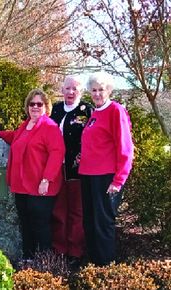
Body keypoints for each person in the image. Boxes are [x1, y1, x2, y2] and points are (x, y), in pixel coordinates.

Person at [0, 89, 65, 259]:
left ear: (46, 107)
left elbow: (57, 153)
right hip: (22, 186)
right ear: (27, 107)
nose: (35, 107)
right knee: (25, 224)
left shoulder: (50, 127)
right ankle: (28, 258)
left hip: (40, 186)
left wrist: (46, 179)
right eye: (31, 104)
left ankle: (44, 263)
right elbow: (15, 137)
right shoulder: (25, 125)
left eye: (39, 104)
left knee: (40, 226)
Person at [79, 72, 134, 266]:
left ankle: (105, 268)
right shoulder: (94, 113)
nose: (97, 94)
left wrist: (118, 180)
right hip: (87, 175)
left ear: (109, 90)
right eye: (93, 90)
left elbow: (125, 147)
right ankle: (93, 266)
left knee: (103, 224)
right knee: (90, 222)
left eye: (101, 89)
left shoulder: (115, 110)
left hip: (106, 177)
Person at [50, 75, 93, 266]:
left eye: (75, 88)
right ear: (62, 89)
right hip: (55, 169)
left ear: (81, 91)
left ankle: (75, 252)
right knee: (59, 210)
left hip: (77, 170)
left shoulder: (87, 110)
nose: (70, 92)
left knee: (76, 212)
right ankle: (59, 250)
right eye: (67, 88)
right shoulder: (55, 109)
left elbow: (93, 138)